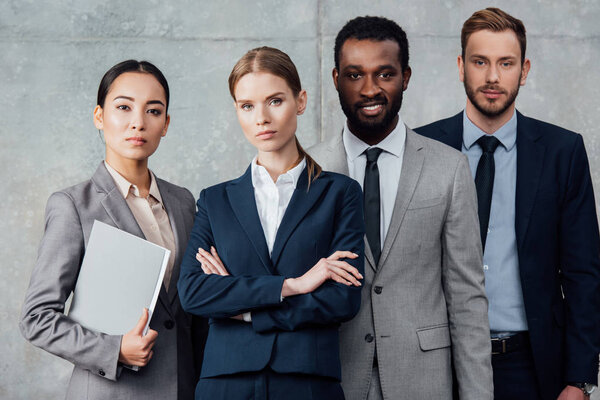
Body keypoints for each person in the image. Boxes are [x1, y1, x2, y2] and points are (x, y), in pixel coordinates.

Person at [416, 7, 600, 400]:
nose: (493, 77)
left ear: (525, 69)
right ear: (461, 67)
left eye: (506, 63)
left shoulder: (561, 151)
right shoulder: (421, 149)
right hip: (439, 364)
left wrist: (580, 380)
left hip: (531, 367)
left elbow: (584, 273)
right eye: (480, 62)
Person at [308, 16, 493, 400]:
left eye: (385, 74)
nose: (369, 89)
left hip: (422, 379)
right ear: (336, 78)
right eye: (355, 75)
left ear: (405, 77)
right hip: (332, 375)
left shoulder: (449, 167)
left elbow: (467, 297)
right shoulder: (307, 169)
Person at [177, 46, 365, 400]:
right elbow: (194, 293)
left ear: (301, 100)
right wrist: (293, 285)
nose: (261, 117)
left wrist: (240, 306)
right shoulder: (215, 200)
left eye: (274, 101)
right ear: (237, 111)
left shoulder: (341, 194)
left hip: (308, 381)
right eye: (247, 106)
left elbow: (342, 299)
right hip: (225, 383)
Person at [19, 60, 205, 399]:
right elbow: (37, 318)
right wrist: (114, 349)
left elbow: (187, 312)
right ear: (99, 117)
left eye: (153, 110)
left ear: (166, 124)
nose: (138, 122)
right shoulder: (73, 205)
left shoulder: (183, 202)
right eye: (123, 107)